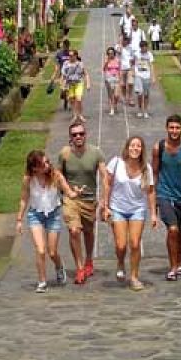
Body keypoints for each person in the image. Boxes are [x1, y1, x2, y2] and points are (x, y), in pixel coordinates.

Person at [15, 149, 78, 292]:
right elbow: (24, 199)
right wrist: (19, 219)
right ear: (34, 168)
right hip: (35, 214)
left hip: (53, 214)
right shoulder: (28, 179)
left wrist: (76, 193)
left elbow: (69, 192)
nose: (47, 165)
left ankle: (58, 266)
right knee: (40, 250)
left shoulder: (56, 175)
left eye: (47, 162)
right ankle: (42, 281)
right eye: (43, 164)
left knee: (52, 252)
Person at [102, 135, 157, 291]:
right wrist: (105, 206)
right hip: (118, 207)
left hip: (137, 209)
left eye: (138, 146)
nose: (135, 148)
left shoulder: (146, 168)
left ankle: (134, 276)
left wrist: (153, 213)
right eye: (132, 145)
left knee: (134, 243)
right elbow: (107, 183)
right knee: (121, 245)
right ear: (127, 148)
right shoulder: (116, 163)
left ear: (142, 149)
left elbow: (151, 191)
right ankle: (120, 262)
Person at [58, 120, 108, 284]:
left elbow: (105, 177)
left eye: (81, 134)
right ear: (70, 137)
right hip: (71, 199)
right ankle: (79, 268)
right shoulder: (64, 153)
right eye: (74, 135)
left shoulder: (96, 152)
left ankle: (88, 260)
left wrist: (104, 202)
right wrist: (68, 192)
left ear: (86, 135)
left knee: (88, 232)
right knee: (74, 231)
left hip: (89, 200)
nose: (78, 137)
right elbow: (58, 175)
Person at [154, 114, 181, 281]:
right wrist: (154, 199)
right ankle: (172, 267)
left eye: (177, 128)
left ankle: (179, 262)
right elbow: (155, 173)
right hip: (165, 194)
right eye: (171, 127)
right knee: (172, 229)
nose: (174, 131)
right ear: (167, 128)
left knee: (180, 231)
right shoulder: (159, 148)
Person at [59, 49, 89, 121]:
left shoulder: (80, 64)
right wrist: (62, 85)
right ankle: (75, 115)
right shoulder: (66, 64)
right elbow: (63, 75)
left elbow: (86, 74)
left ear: (76, 56)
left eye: (72, 55)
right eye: (69, 55)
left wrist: (88, 84)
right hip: (69, 84)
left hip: (79, 83)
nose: (70, 57)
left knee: (78, 99)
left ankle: (80, 115)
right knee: (71, 100)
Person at [132, 40, 155, 118]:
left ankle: (145, 110)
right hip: (139, 75)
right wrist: (133, 71)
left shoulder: (150, 55)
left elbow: (151, 65)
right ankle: (139, 109)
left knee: (146, 94)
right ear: (140, 47)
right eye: (143, 47)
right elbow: (132, 62)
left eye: (145, 47)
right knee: (139, 93)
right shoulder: (136, 54)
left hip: (147, 76)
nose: (144, 48)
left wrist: (153, 76)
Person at [102, 46, 122, 116]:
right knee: (110, 95)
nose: (111, 54)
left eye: (112, 53)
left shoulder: (117, 60)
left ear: (114, 53)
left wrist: (120, 78)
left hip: (116, 78)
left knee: (116, 95)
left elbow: (120, 69)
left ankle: (115, 104)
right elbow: (104, 69)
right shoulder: (106, 60)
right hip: (109, 78)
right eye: (109, 53)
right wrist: (107, 62)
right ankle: (112, 109)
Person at [53, 39, 72, 111]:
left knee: (69, 90)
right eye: (65, 46)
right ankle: (64, 98)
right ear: (63, 46)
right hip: (62, 75)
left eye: (67, 47)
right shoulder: (59, 54)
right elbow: (56, 62)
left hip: (70, 75)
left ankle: (69, 103)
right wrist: (56, 69)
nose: (66, 48)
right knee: (63, 91)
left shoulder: (71, 53)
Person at [118, 34, 135, 108]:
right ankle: (124, 97)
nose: (125, 41)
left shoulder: (130, 47)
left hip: (129, 68)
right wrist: (121, 44)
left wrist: (133, 68)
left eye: (125, 40)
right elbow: (119, 52)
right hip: (122, 68)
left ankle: (130, 98)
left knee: (130, 83)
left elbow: (133, 58)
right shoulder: (118, 47)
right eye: (123, 40)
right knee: (122, 84)